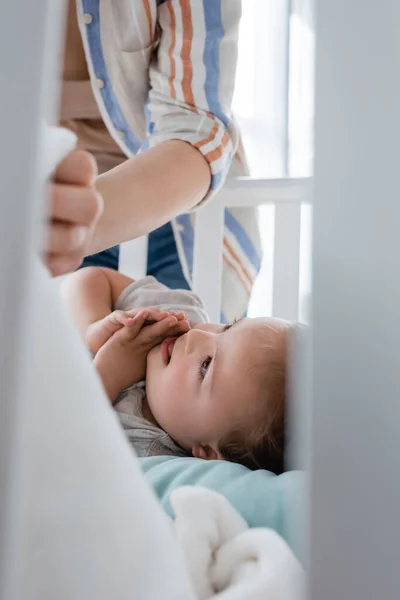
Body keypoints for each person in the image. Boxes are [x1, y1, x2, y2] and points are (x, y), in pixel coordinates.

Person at [47, 0, 261, 322]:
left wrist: (73, 224)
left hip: (179, 214)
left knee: (182, 357)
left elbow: (195, 124)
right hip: (49, 219)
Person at [62, 266, 290, 473]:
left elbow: (54, 451)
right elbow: (89, 278)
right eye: (226, 328)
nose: (196, 334)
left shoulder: (152, 459)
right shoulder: (176, 314)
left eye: (206, 365)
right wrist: (93, 328)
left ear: (208, 453)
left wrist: (107, 375)